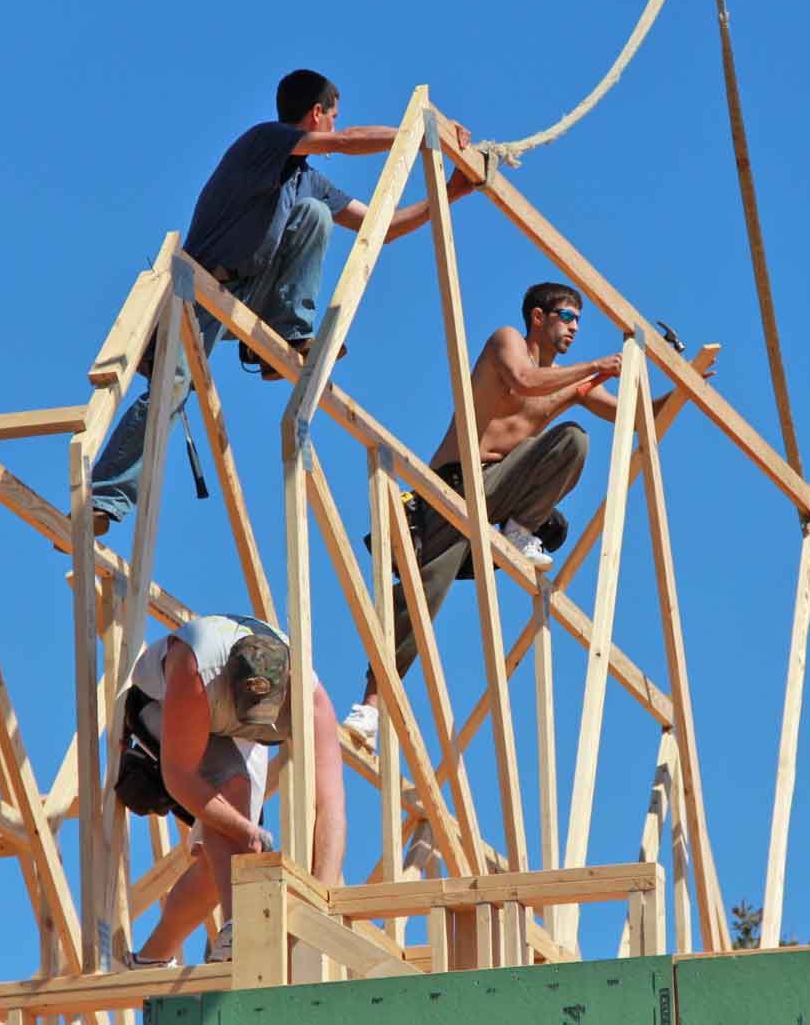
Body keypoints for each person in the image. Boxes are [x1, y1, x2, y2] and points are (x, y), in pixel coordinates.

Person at [91, 69, 476, 534]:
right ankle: (103, 498)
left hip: (253, 287)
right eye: (332, 117)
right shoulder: (264, 141)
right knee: (172, 388)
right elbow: (348, 141)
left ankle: (285, 333)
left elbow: (384, 226)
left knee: (315, 214)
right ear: (317, 114)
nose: (334, 126)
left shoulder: (309, 183)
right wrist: (418, 134)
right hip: (202, 287)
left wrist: (450, 195)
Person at [340, 283, 708, 745]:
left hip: (496, 498)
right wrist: (597, 367)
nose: (574, 327)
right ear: (539, 317)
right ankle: (372, 707)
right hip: (453, 489)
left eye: (578, 320)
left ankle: (519, 529)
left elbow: (636, 417)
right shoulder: (507, 341)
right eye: (567, 317)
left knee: (574, 440)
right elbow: (522, 381)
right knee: (421, 597)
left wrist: (683, 388)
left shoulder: (569, 382)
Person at [120, 614, 344, 967]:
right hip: (167, 706)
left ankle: (150, 959)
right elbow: (179, 776)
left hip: (237, 735)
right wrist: (244, 828)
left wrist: (323, 900)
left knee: (220, 863)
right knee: (232, 800)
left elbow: (330, 806)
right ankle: (237, 930)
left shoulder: (311, 701)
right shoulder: (195, 667)